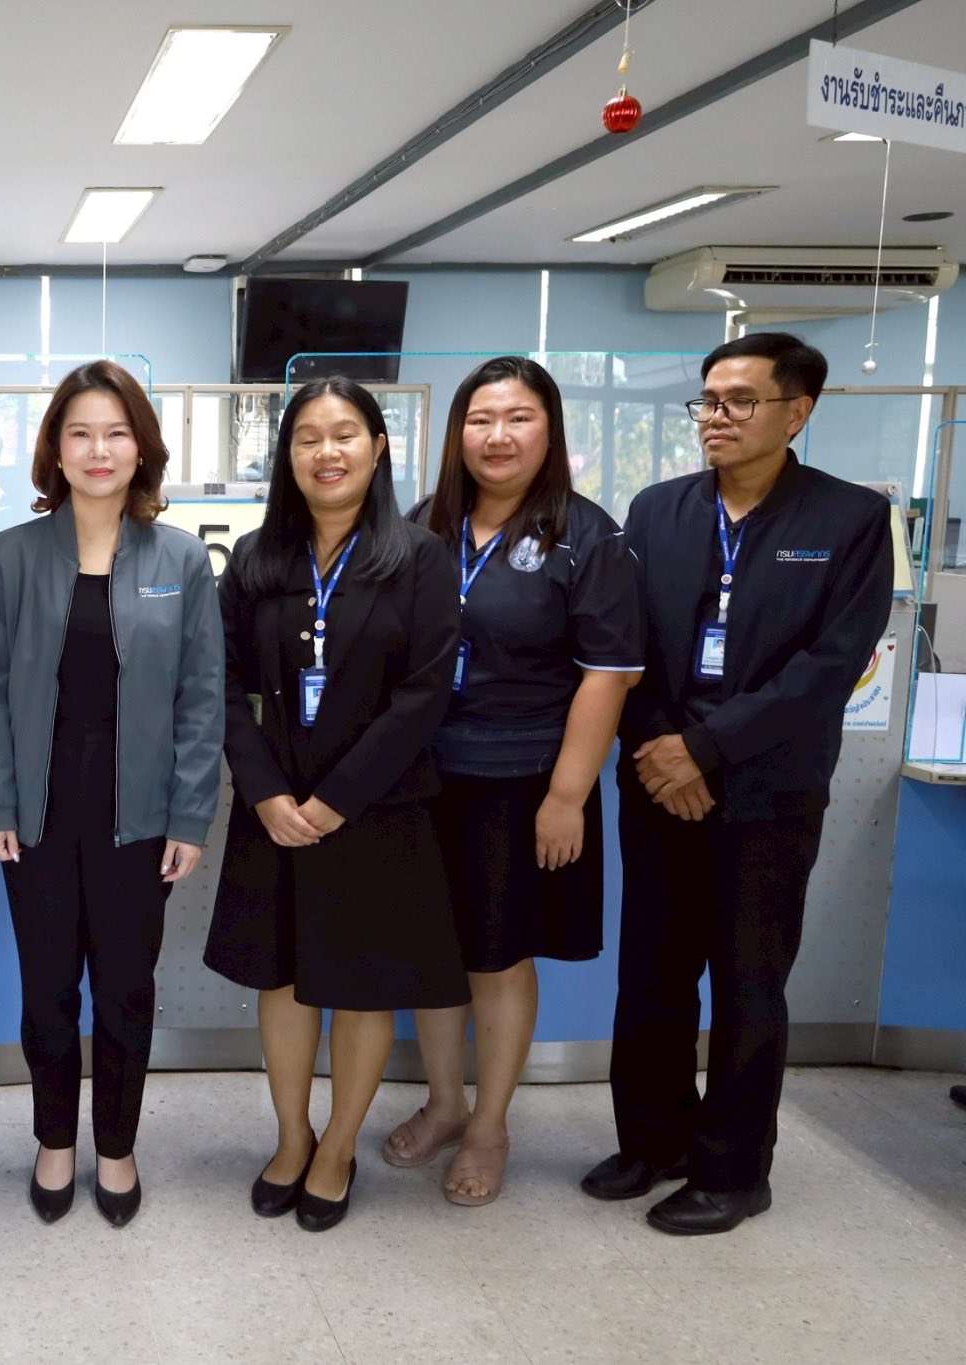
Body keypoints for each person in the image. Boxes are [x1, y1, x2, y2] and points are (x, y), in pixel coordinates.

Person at [585, 332, 894, 1234]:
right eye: (709, 400)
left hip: (768, 793)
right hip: (658, 782)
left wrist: (707, 749)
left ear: (798, 411)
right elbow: (626, 646)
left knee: (749, 984)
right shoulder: (658, 511)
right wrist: (662, 749)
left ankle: (733, 1169)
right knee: (651, 976)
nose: (716, 417)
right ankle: (654, 1140)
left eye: (740, 400)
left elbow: (829, 665)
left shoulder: (849, 519)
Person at [204, 376, 468, 1233]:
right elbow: (221, 682)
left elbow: (424, 694)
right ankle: (292, 1137)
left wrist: (336, 800)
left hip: (379, 808)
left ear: (378, 447)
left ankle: (338, 1147)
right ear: (287, 455)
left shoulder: (420, 556)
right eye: (308, 437)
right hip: (274, 808)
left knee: (361, 987)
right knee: (283, 979)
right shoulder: (257, 558)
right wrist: (266, 790)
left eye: (346, 433)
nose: (328, 452)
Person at [380, 357, 643, 1206]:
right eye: (480, 418)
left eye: (518, 417)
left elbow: (607, 674)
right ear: (457, 431)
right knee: (435, 951)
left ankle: (490, 1124)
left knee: (497, 957)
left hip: (523, 781)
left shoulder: (587, 536)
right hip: (423, 775)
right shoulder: (425, 524)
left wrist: (567, 796)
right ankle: (444, 1103)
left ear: (549, 430)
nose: (497, 436)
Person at [0, 359, 224, 1229]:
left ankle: (116, 1143)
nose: (98, 448)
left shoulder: (179, 557)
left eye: (115, 432)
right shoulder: (12, 554)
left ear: (140, 446)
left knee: (124, 986)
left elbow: (203, 697)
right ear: (56, 449)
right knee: (47, 987)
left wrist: (191, 813)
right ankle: (54, 1140)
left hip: (139, 809)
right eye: (80, 432)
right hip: (38, 807)